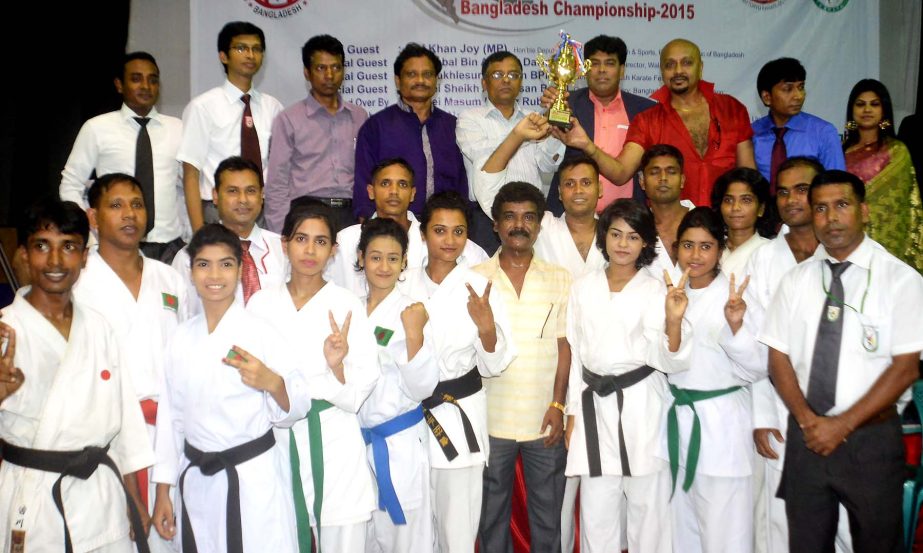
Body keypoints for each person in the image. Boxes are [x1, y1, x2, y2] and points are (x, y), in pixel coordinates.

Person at [759, 169, 923, 553]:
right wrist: (807, 420)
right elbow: (777, 358)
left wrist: (842, 425)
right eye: (821, 209)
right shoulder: (795, 281)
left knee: (876, 545)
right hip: (807, 434)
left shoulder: (901, 280)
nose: (831, 218)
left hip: (871, 440)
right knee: (806, 544)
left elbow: (906, 368)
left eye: (842, 205)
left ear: (864, 211)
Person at [0, 198, 153, 553]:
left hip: (103, 499)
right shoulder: (6, 330)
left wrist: (134, 500)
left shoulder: (98, 327)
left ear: (84, 257)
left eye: (68, 247)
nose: (55, 262)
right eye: (42, 246)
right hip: (34, 498)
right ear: (23, 254)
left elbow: (125, 422)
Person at [151, 223, 308, 553]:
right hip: (196, 478)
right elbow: (171, 417)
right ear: (191, 271)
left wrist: (272, 383)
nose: (214, 275)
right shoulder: (180, 338)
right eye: (203, 264)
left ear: (239, 270)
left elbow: (299, 401)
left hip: (251, 479)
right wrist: (163, 488)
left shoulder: (261, 333)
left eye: (225, 264)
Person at [246, 203, 379, 552]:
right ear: (284, 244)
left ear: (333, 250)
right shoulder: (260, 304)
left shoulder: (347, 303)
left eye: (321, 241)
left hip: (334, 441)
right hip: (278, 440)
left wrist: (336, 365)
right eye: (301, 239)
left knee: (343, 535)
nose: (310, 250)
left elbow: (358, 391)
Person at [565, 199, 690, 553]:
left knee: (647, 508)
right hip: (593, 405)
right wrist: (571, 412)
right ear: (604, 237)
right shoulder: (582, 287)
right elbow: (575, 352)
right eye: (616, 234)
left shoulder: (656, 290)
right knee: (597, 510)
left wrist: (675, 320)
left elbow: (670, 360)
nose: (623, 244)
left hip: (642, 405)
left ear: (646, 243)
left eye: (633, 237)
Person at [72, 173, 188, 553]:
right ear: (93, 217)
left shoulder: (170, 278)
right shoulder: (76, 283)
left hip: (171, 436)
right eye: (116, 205)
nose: (129, 214)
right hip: (107, 438)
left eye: (137, 204)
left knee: (176, 539)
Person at [398, 191, 516, 553]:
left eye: (458, 231)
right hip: (407, 419)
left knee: (457, 531)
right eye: (439, 230)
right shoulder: (402, 283)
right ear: (422, 235)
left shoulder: (480, 285)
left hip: (458, 416)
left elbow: (497, 362)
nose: (449, 241)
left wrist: (486, 326)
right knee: (413, 534)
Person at [745, 157, 853, 553]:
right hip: (780, 408)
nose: (792, 200)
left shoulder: (847, 254)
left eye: (802, 190)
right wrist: (760, 415)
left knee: (845, 525)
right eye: (784, 191)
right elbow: (758, 346)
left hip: (844, 411)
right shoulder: (764, 259)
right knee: (780, 524)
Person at [473, 182, 571, 553]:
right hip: (490, 418)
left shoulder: (559, 278)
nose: (519, 225)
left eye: (528, 217)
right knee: (491, 516)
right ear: (496, 225)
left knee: (548, 515)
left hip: (543, 416)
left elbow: (564, 347)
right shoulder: (474, 277)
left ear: (539, 225)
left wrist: (559, 405)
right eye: (510, 217)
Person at [665, 207, 766, 553]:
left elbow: (758, 367)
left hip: (722, 427)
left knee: (726, 534)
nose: (695, 255)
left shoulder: (735, 296)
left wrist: (737, 325)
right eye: (688, 246)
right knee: (683, 531)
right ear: (676, 248)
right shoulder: (670, 294)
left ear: (720, 250)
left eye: (705, 247)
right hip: (677, 423)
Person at [555, 39, 755, 207]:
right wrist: (586, 145)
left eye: (686, 63)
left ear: (700, 67)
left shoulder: (732, 109)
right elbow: (621, 173)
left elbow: (749, 175)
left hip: (728, 223)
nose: (678, 71)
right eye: (669, 65)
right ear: (661, 71)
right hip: (670, 230)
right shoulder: (648, 119)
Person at [356, 218, 438, 553]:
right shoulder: (349, 308)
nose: (384, 266)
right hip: (357, 444)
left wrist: (415, 334)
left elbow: (423, 387)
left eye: (393, 258)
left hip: (399, 442)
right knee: (367, 537)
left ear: (405, 261)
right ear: (361, 258)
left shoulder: (412, 310)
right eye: (375, 257)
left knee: (406, 539)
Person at [60, 52, 186, 263]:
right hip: (114, 245)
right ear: (119, 85)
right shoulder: (97, 128)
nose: (146, 86)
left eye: (152, 80)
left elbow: (187, 187)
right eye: (136, 79)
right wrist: (90, 232)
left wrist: (190, 237)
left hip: (170, 247)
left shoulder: (178, 128)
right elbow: (70, 185)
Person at [178, 21, 284, 231]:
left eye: (256, 49)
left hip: (260, 210)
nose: (250, 55)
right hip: (216, 209)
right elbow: (191, 173)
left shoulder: (274, 107)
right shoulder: (202, 107)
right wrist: (199, 231)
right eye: (241, 48)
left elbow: (280, 170)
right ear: (223, 56)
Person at [327, 158, 487, 297]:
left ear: (412, 193)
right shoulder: (345, 240)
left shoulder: (445, 241)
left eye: (402, 184)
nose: (394, 191)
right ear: (371, 191)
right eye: (385, 183)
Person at [456, 50, 564, 254]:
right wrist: (522, 136)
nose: (506, 80)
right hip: (487, 218)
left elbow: (548, 164)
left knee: (532, 279)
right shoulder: (469, 119)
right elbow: (487, 160)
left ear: (521, 82)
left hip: (531, 216)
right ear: (484, 83)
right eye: (497, 75)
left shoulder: (533, 118)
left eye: (513, 75)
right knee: (487, 280)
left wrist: (554, 127)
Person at [541, 34, 656, 215]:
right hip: (570, 219)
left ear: (622, 70)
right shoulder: (567, 103)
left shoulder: (644, 110)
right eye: (594, 63)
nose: (601, 70)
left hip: (627, 221)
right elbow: (548, 160)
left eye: (610, 63)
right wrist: (550, 118)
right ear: (585, 69)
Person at [265, 35, 368, 234]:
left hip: (351, 216)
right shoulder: (289, 119)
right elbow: (276, 183)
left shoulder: (360, 116)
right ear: (307, 72)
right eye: (321, 68)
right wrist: (281, 233)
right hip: (306, 214)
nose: (329, 75)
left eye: (336, 67)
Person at [353, 43, 468, 220]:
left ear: (437, 80)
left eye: (427, 74)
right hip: (391, 226)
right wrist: (369, 227)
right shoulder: (376, 126)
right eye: (412, 74)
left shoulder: (452, 126)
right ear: (398, 81)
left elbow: (461, 184)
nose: (420, 81)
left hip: (444, 227)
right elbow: (363, 185)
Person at [172, 156, 287, 315]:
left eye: (251, 191)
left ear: (262, 195)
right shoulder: (189, 257)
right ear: (216, 196)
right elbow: (180, 317)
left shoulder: (283, 250)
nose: (243, 200)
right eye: (233, 191)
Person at [843, 79, 923, 272]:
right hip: (848, 240)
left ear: (884, 110)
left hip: (891, 244)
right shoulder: (842, 153)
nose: (867, 109)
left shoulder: (898, 151)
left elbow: (906, 203)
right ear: (852, 111)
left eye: (874, 104)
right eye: (860, 104)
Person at [751, 58, 845, 191]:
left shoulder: (823, 132)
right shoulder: (752, 133)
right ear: (767, 97)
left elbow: (837, 185)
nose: (798, 96)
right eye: (788, 89)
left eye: (801, 87)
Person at [534, 156, 607, 280]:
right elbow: (493, 198)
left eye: (586, 182)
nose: (578, 190)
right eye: (569, 184)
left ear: (599, 189)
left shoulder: (615, 233)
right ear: (559, 192)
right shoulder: (542, 226)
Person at [638, 145, 694, 282]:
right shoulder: (635, 229)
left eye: (671, 171)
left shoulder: (707, 223)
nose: (663, 178)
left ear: (682, 180)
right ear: (642, 182)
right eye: (654, 172)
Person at [710, 167, 774, 279]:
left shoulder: (771, 252)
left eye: (746, 200)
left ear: (761, 209)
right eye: (728, 200)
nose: (735, 207)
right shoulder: (709, 247)